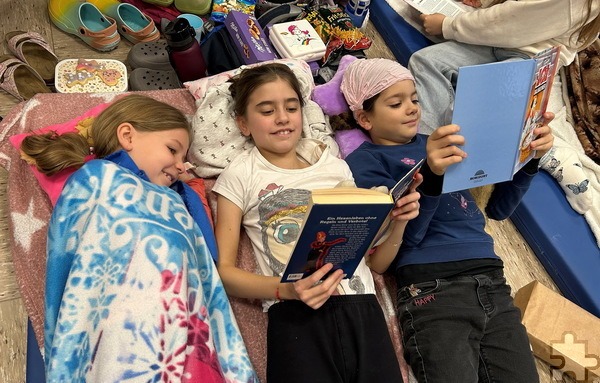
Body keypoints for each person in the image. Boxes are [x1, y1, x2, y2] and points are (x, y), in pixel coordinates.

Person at [338, 58, 555, 383]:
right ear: (364, 118)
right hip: (432, 288)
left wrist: (529, 160)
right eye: (396, 103)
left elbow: (499, 210)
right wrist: (432, 177)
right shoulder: (365, 162)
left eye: (413, 98)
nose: (411, 108)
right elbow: (402, 240)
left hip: (493, 281)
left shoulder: (436, 141)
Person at [20, 94, 257, 383]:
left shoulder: (176, 200)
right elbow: (67, 259)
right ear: (127, 135)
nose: (182, 166)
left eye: (184, 158)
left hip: (185, 333)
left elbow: (206, 258)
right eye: (173, 150)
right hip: (123, 333)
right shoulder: (97, 177)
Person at [212, 62, 422, 383]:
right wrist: (286, 291)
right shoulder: (240, 174)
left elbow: (377, 265)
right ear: (243, 123)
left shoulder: (335, 165)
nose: (282, 118)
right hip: (294, 314)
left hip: (363, 309)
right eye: (267, 111)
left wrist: (399, 222)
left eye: (292, 107)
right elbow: (225, 274)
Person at [410, 0, 600, 133]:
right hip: (497, 43)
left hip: (530, 59)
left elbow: (514, 21)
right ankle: (422, 145)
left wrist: (447, 26)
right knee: (425, 62)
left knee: (466, 112)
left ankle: (430, 158)